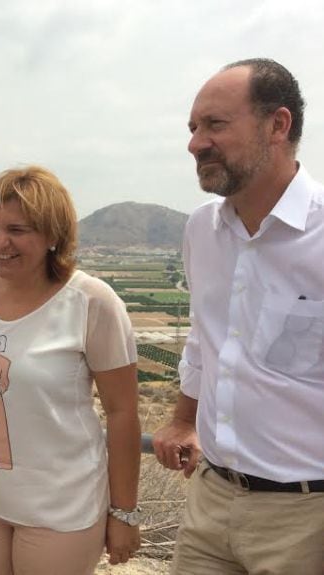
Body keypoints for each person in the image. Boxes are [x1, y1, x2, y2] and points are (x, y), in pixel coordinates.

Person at [0, 166, 141, 574]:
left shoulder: (91, 302)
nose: (0, 242)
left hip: (60, 508)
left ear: (53, 236)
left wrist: (123, 512)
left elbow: (122, 412)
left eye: (18, 230)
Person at [153, 58, 324, 574]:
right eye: (193, 128)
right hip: (210, 498)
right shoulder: (201, 230)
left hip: (305, 517)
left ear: (278, 125)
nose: (195, 143)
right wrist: (184, 419)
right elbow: (206, 342)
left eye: (215, 125)